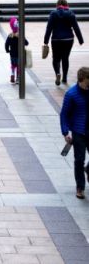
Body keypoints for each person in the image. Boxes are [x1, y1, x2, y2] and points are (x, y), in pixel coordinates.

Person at [60, 67, 89, 200]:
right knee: (79, 160)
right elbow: (64, 114)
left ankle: (88, 170)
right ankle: (80, 187)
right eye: (87, 83)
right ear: (81, 80)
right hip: (79, 132)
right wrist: (65, 132)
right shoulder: (71, 94)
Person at [44, 0, 84, 85]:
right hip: (68, 39)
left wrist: (46, 41)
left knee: (56, 58)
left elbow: (49, 28)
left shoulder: (53, 14)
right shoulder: (70, 13)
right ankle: (65, 78)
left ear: (57, 5)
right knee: (65, 58)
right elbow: (76, 27)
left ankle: (58, 73)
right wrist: (80, 40)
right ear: (66, 4)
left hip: (56, 39)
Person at [5, 17, 29, 84]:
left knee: (13, 65)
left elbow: (6, 44)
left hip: (12, 54)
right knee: (18, 66)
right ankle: (18, 78)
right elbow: (26, 43)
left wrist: (7, 50)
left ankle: (12, 74)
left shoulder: (10, 35)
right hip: (19, 54)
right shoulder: (20, 35)